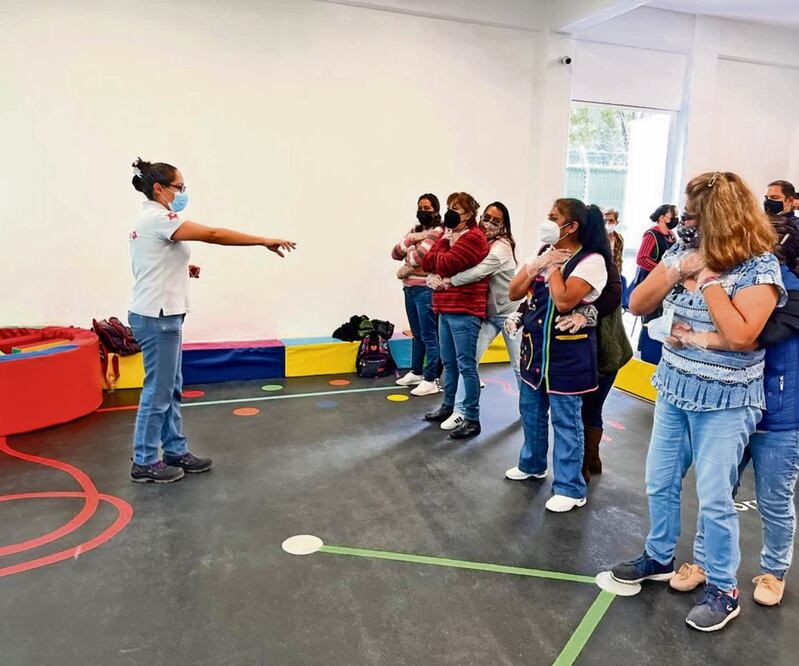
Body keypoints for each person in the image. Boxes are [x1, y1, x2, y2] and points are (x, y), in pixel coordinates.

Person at [610, 171, 784, 633]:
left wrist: (706, 281)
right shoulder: (681, 250)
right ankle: (659, 556)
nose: (684, 222)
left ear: (723, 218)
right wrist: (674, 269)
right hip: (673, 388)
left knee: (714, 499)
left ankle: (724, 590)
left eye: (693, 215)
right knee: (659, 481)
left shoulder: (758, 265)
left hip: (728, 401)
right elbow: (637, 303)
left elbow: (743, 336)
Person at [128, 158, 296, 483]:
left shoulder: (149, 220)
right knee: (159, 390)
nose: (183, 193)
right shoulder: (159, 218)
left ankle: (174, 449)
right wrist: (262, 240)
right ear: (159, 188)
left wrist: (181, 269)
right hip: (157, 317)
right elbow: (214, 234)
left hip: (162, 313)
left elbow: (150, 261)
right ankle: (144, 460)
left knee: (170, 387)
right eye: (179, 187)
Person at [669, 220, 799, 607]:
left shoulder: (787, 289)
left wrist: (696, 334)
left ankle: (774, 572)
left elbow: (744, 338)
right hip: (731, 404)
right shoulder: (735, 276)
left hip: (777, 415)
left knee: (775, 499)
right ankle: (705, 563)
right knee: (716, 492)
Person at [504, 199, 609, 513]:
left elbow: (564, 301)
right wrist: (539, 264)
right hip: (535, 353)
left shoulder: (592, 261)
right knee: (531, 411)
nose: (546, 222)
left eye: (553, 218)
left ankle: (570, 487)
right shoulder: (541, 252)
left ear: (571, 226)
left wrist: (552, 269)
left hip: (568, 356)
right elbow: (513, 291)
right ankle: (532, 463)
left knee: (566, 421)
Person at [428, 202, 522, 431]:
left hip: (511, 314)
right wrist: (432, 276)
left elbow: (476, 271)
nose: (488, 223)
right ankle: (459, 412)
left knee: (519, 365)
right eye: (486, 217)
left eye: (496, 220)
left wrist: (447, 281)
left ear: (504, 225)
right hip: (487, 314)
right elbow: (448, 260)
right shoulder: (476, 239)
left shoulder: (501, 247)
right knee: (467, 364)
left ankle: (530, 408)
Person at [421, 192, 490, 440]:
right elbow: (428, 262)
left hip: (465, 309)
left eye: (456, 208)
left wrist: (443, 246)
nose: (451, 212)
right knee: (448, 363)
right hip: (445, 306)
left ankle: (472, 417)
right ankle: (448, 406)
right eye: (449, 207)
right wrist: (444, 240)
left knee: (466, 365)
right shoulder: (447, 235)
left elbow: (447, 264)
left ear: (469, 214)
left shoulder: (474, 238)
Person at [579, 250, 631, 482]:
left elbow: (608, 303)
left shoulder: (607, 276)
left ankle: (584, 465)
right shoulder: (606, 273)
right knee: (589, 408)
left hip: (604, 355)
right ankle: (592, 459)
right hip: (602, 354)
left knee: (588, 408)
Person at [392, 194, 444, 396]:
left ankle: (431, 378)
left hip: (426, 290)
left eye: (427, 208)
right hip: (410, 289)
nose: (423, 211)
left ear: (436, 211)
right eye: (420, 207)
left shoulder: (438, 232)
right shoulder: (414, 231)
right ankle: (416, 371)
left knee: (430, 336)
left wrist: (409, 260)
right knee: (417, 334)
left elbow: (418, 258)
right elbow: (395, 252)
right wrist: (411, 239)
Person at [633, 204, 679, 364]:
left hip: (668, 284)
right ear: (661, 217)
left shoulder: (672, 236)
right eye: (671, 216)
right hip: (651, 283)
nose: (675, 219)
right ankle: (644, 353)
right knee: (650, 321)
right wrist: (661, 272)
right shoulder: (651, 235)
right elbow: (642, 258)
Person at [604, 208, 624, 275]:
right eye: (605, 220)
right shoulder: (595, 238)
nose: (608, 223)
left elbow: (619, 258)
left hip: (613, 274)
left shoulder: (619, 239)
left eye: (611, 220)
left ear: (616, 222)